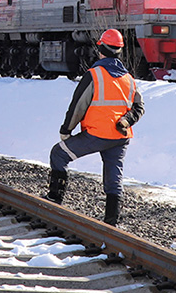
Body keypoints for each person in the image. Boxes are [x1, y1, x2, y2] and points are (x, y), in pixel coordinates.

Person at [45, 29, 144, 226]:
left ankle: (54, 200)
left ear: (100, 49)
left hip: (96, 135)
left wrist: (66, 130)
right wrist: (126, 120)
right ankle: (111, 221)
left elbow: (77, 106)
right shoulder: (128, 78)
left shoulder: (94, 75)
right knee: (114, 175)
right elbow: (139, 107)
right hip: (120, 136)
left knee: (58, 154)